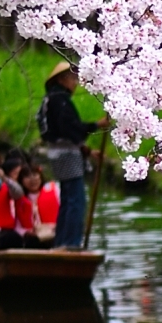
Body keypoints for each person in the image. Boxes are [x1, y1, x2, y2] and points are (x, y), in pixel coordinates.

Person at [38, 60, 108, 250]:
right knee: (75, 200)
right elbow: (71, 129)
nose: (75, 83)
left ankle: (63, 240)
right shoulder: (59, 100)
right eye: (72, 78)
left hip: (58, 153)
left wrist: (87, 151)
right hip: (65, 155)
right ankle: (70, 242)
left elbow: (66, 131)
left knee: (68, 198)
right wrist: (96, 125)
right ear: (62, 80)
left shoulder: (51, 99)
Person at [12, 162, 58, 248]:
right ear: (21, 181)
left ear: (40, 176)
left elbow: (65, 213)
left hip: (54, 233)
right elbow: (16, 225)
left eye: (35, 175)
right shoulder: (18, 199)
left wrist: (54, 227)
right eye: (27, 176)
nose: (32, 179)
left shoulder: (56, 190)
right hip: (30, 237)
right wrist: (26, 232)